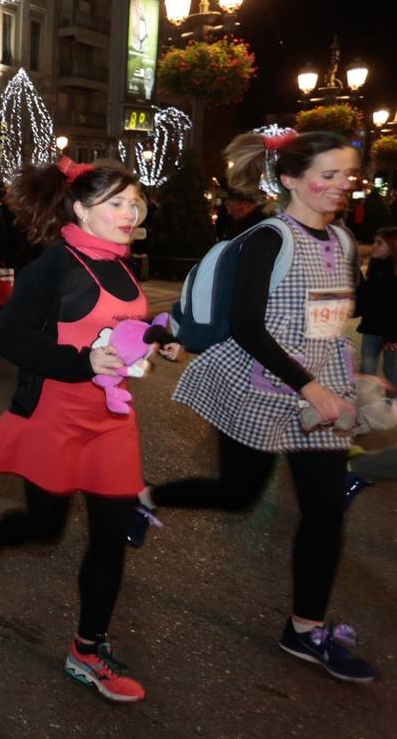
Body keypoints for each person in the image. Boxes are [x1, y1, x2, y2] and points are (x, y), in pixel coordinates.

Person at [135, 131, 377, 683]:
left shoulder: (341, 242)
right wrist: (309, 387)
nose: (342, 186)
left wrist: (351, 375)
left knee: (322, 510)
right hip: (263, 387)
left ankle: (305, 628)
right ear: (290, 179)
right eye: (330, 174)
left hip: (323, 391)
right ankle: (145, 496)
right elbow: (246, 326)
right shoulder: (267, 238)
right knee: (235, 492)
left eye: (348, 175)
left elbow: (331, 321)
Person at [0, 157, 176, 704]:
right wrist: (85, 362)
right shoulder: (54, 266)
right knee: (45, 524)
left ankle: (87, 651)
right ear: (81, 209)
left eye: (135, 203)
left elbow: (120, 328)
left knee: (110, 533)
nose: (130, 213)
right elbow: (9, 341)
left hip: (112, 420)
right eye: (117, 204)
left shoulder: (125, 264)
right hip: (56, 413)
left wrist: (158, 336)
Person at [356, 225, 395, 385]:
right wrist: (355, 273)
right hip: (372, 328)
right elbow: (367, 298)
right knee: (367, 369)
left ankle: (392, 407)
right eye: (374, 242)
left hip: (393, 334)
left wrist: (393, 336)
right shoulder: (375, 266)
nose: (374, 246)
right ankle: (367, 406)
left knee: (392, 373)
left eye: (379, 243)